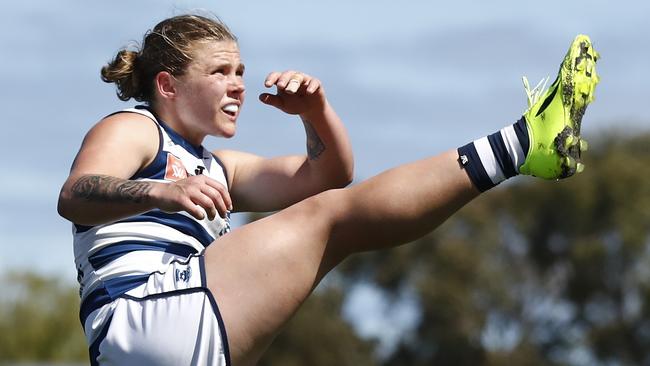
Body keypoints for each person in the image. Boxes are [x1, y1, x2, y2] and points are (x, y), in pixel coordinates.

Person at [57, 13, 600, 366]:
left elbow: (327, 177)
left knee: (332, 217)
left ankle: (526, 147)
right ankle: (525, 143)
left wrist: (317, 113)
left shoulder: (216, 167)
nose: (239, 84)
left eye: (242, 70)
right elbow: (75, 194)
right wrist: (158, 193)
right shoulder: (134, 128)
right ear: (168, 84)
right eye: (221, 71)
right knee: (333, 224)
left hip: (172, 335)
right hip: (142, 318)